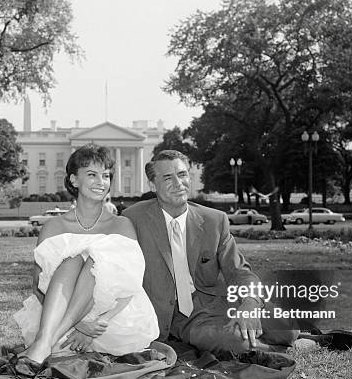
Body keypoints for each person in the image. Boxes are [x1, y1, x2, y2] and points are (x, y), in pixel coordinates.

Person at [124, 150, 299, 356]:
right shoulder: (133, 219)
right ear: (153, 185)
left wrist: (250, 303)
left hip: (223, 302)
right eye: (168, 177)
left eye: (182, 175)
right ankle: (274, 348)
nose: (178, 183)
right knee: (236, 344)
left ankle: (287, 340)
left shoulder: (214, 220)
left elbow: (240, 272)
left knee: (289, 328)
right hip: (182, 316)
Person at [12, 145, 159, 372]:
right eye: (91, 174)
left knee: (94, 258)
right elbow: (38, 286)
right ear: (74, 180)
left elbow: (130, 284)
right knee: (73, 259)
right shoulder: (54, 227)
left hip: (111, 322)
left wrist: (96, 324)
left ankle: (45, 344)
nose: (101, 182)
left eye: (106, 176)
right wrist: (80, 323)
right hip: (59, 316)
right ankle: (46, 342)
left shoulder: (121, 225)